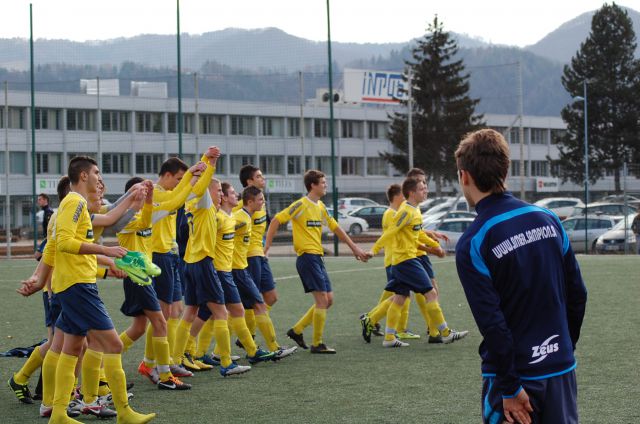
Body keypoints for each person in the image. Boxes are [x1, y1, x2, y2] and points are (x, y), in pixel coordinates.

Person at [454, 129, 587, 424]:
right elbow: (578, 294)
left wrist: (510, 386)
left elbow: (493, 325)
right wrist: (563, 346)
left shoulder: (474, 241)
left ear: (465, 176)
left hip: (516, 380)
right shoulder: (549, 219)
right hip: (559, 370)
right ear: (506, 170)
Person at [42, 156, 155, 423]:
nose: (99, 178)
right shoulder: (74, 202)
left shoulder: (75, 203)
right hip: (77, 285)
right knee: (113, 345)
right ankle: (123, 412)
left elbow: (108, 219)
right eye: (96, 172)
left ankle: (58, 412)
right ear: (83, 176)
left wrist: (132, 196)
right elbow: (66, 243)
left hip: (74, 284)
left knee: (71, 348)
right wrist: (107, 250)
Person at [264, 170, 369, 354]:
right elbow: (276, 221)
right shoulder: (300, 205)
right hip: (307, 258)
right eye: (323, 182)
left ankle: (296, 331)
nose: (325, 185)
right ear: (312, 185)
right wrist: (267, 247)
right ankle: (317, 343)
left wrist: (356, 249)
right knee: (321, 301)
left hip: (317, 258)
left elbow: (336, 227)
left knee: (328, 300)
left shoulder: (320, 206)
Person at [367, 177, 465, 348]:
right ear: (412, 193)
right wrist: (373, 250)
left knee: (400, 297)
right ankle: (445, 333)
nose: (426, 191)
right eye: (422, 189)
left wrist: (435, 245)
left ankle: (389, 337)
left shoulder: (415, 210)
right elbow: (390, 232)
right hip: (405, 260)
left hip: (404, 260)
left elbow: (418, 234)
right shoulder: (406, 211)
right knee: (431, 293)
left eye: (425, 188)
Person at [35, 193, 55, 261]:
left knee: (38, 255)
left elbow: (52, 226)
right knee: (41, 256)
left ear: (45, 200)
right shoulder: (45, 211)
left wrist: (49, 238)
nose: (38, 201)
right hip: (47, 238)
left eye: (40, 199)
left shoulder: (48, 211)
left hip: (49, 239)